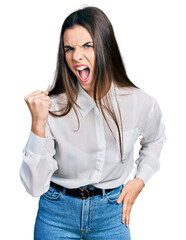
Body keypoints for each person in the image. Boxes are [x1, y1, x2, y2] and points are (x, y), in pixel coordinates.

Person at [19, 6, 167, 240]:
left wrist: (141, 179)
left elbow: (156, 138)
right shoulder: (52, 106)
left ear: (105, 47)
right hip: (56, 214)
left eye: (87, 46)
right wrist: (38, 124)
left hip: (111, 214)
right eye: (69, 48)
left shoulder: (139, 102)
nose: (76, 56)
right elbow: (35, 187)